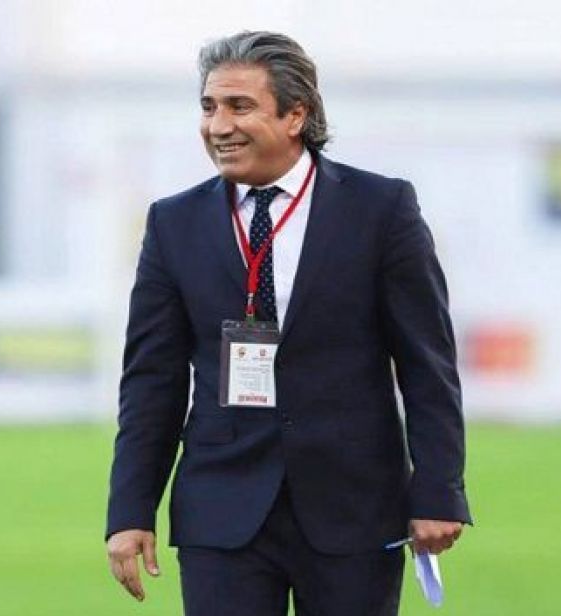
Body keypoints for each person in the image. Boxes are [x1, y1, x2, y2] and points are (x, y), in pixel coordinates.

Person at [105, 31, 471, 615]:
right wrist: (130, 510)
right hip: (221, 512)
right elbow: (152, 382)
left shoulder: (381, 210)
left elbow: (427, 366)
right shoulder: (173, 223)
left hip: (354, 508)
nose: (218, 126)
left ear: (296, 115)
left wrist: (439, 490)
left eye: (239, 106)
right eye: (208, 107)